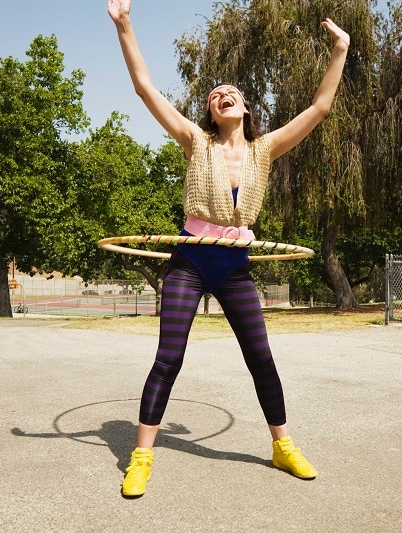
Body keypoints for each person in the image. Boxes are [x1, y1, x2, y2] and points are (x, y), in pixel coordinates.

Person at [107, 0, 349, 497]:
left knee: (261, 357)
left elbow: (320, 107)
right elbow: (144, 87)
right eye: (216, 94)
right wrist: (125, 24)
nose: (223, 95)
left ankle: (282, 446)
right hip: (191, 261)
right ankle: (142, 455)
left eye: (232, 92)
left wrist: (340, 50)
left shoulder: (267, 148)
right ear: (210, 112)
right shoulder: (194, 140)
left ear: (245, 108)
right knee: (168, 358)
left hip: (235, 265)